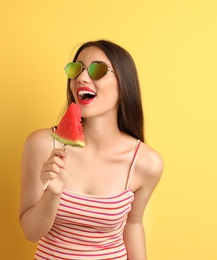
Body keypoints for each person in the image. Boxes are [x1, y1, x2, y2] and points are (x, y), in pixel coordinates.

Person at [19, 40, 163, 260]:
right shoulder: (42, 145)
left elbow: (133, 226)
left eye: (98, 70)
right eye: (76, 69)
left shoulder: (146, 163)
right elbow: (30, 232)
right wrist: (53, 194)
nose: (82, 78)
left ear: (124, 85)